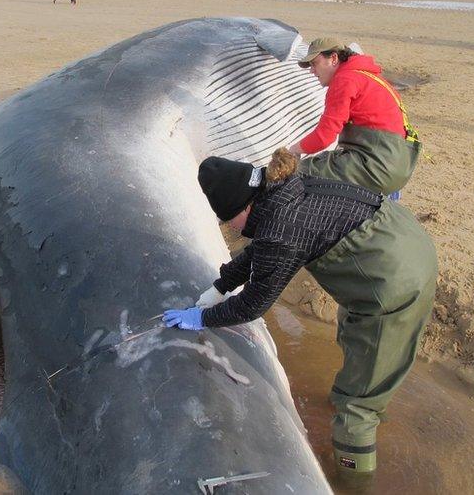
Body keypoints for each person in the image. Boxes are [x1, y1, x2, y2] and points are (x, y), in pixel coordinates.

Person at [164, 148, 437, 475]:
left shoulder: (280, 231)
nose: (232, 228)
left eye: (228, 220)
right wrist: (221, 285)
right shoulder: (284, 189)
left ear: (243, 208)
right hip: (398, 237)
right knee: (357, 341)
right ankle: (352, 397)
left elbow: (253, 303)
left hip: (395, 279)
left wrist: (203, 318)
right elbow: (259, 251)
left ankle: (354, 481)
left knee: (358, 406)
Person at [285, 38, 421, 198]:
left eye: (314, 64)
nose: (311, 71)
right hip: (401, 165)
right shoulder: (371, 76)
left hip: (378, 165)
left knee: (297, 173)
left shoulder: (344, 80)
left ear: (334, 58)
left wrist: (292, 150)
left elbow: (324, 137)